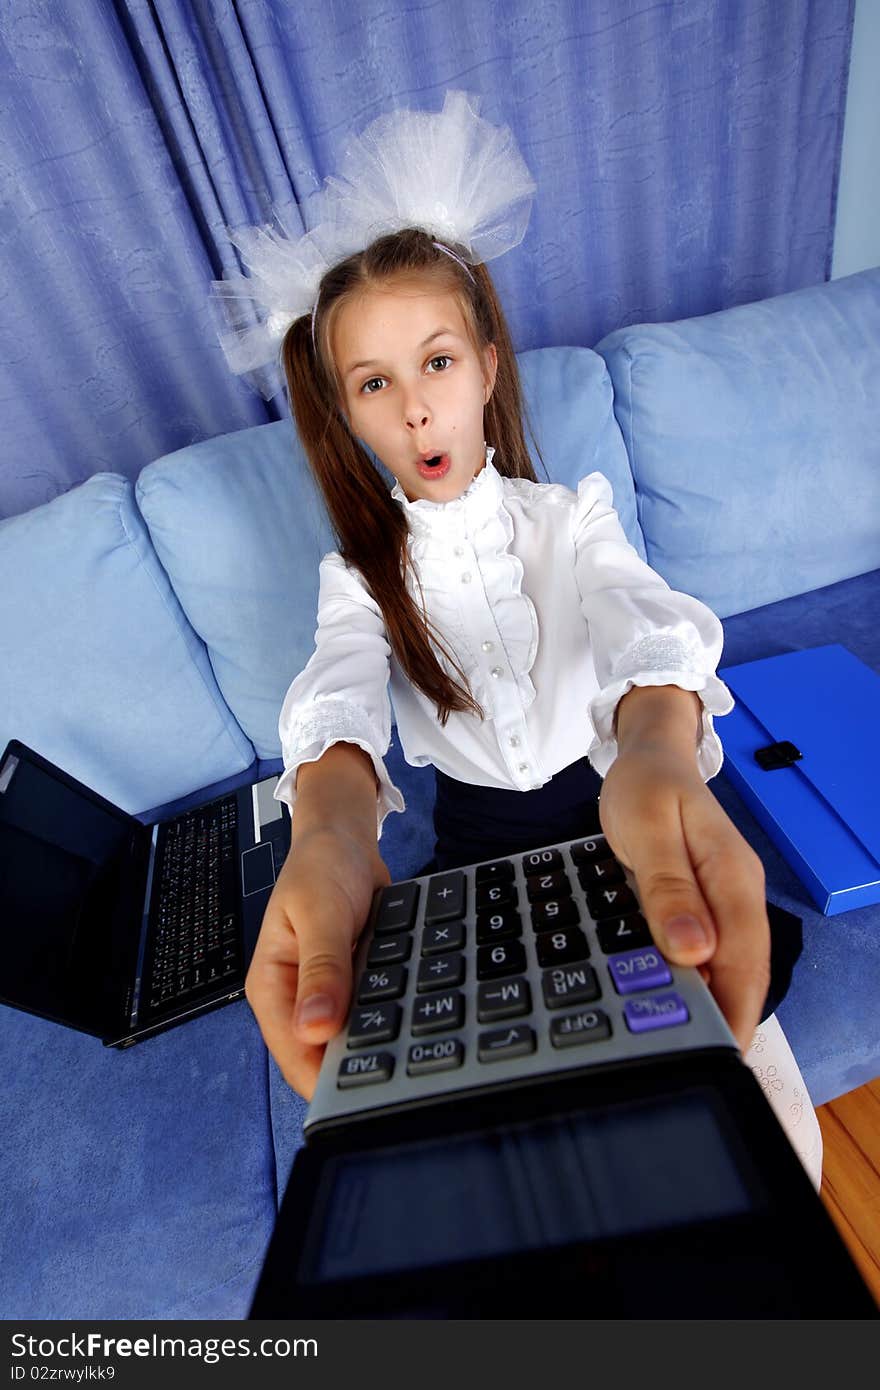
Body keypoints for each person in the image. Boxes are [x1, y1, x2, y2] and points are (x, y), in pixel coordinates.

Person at [212, 91, 821, 1186]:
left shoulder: (572, 514)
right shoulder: (356, 579)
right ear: (347, 415)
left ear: (489, 368)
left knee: (769, 1131)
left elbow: (639, 620)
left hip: (627, 812)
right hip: (477, 853)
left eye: (438, 362)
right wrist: (332, 832)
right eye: (374, 383)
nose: (414, 409)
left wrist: (654, 751)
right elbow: (339, 700)